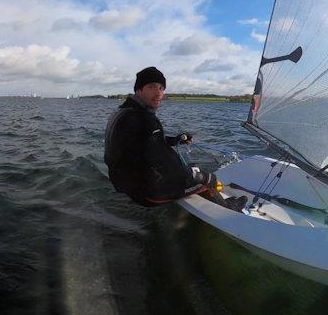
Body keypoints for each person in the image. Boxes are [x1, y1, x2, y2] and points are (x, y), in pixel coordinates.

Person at [104, 66, 245, 209]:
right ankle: (227, 207)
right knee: (205, 178)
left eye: (161, 88)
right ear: (139, 89)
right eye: (151, 87)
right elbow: (165, 164)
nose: (158, 93)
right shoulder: (145, 120)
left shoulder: (122, 111)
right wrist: (205, 178)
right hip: (148, 193)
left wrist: (174, 140)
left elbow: (143, 144)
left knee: (191, 171)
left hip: (125, 185)